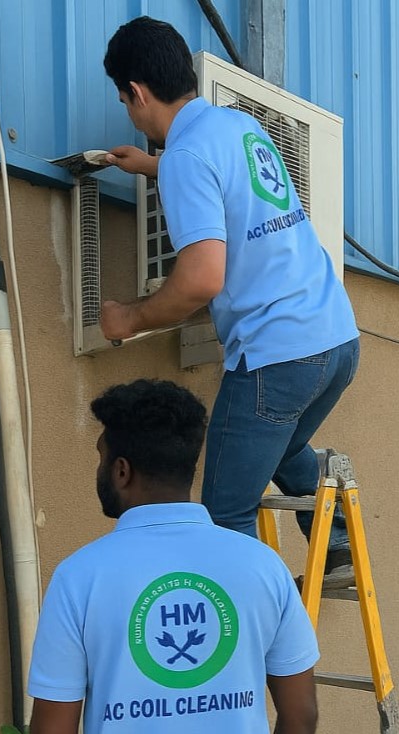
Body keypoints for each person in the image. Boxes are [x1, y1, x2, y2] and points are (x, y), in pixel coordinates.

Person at [100, 17, 360, 581]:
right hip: (336, 339)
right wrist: (149, 165)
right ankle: (336, 543)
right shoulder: (236, 126)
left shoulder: (189, 157)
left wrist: (130, 319)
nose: (130, 112)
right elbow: (214, 174)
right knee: (282, 442)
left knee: (224, 512)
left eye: (125, 101)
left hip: (278, 355)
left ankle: (259, 628)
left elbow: (200, 280)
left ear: (138, 94)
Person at [28, 379, 319, 734]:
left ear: (122, 471)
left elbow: (51, 729)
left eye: (101, 457)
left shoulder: (78, 577)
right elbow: (301, 715)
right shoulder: (264, 566)